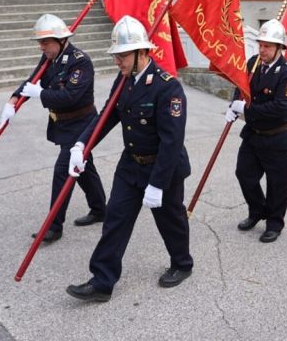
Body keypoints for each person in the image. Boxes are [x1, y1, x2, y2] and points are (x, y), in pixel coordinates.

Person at [66, 16, 193, 302]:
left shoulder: (167, 87)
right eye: (116, 56)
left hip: (163, 167)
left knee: (170, 220)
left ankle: (182, 263)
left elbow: (172, 142)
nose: (118, 62)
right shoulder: (123, 82)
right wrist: (81, 144)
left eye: (122, 56)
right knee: (115, 219)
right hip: (131, 164)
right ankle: (102, 281)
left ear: (142, 53)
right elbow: (106, 117)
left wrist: (158, 184)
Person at [0, 14, 106, 243]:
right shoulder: (49, 57)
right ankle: (100, 209)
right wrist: (12, 101)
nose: (42, 47)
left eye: (45, 42)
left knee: (64, 169)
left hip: (83, 124)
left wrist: (40, 94)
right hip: (63, 124)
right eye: (40, 43)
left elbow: (70, 96)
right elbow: (32, 80)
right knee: (84, 168)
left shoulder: (80, 61)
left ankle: (54, 226)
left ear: (60, 40)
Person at [228, 19, 287, 243]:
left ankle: (275, 223)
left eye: (267, 46)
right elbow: (240, 88)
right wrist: (233, 106)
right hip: (253, 134)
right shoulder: (252, 64)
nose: (262, 49)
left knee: (277, 184)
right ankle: (257, 210)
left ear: (279, 48)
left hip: (277, 136)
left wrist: (246, 111)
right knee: (244, 174)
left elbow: (281, 107)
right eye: (260, 44)